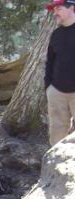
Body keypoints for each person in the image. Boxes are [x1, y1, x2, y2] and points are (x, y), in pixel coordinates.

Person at [45, 0, 75, 145]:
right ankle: (54, 166)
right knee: (56, 136)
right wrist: (49, 87)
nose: (55, 13)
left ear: (72, 8)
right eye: (54, 10)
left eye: (59, 9)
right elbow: (50, 62)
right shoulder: (56, 34)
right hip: (57, 92)